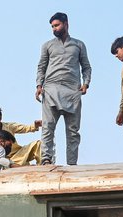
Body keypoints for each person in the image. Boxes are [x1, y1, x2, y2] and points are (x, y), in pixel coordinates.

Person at [36, 12, 91, 165]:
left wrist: (86, 83)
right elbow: (41, 67)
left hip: (72, 91)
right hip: (51, 89)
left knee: (73, 132)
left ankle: (72, 164)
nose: (54, 29)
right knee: (47, 128)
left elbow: (86, 67)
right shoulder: (47, 45)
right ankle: (46, 159)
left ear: (66, 24)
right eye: (52, 26)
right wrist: (39, 85)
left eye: (57, 25)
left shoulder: (78, 45)